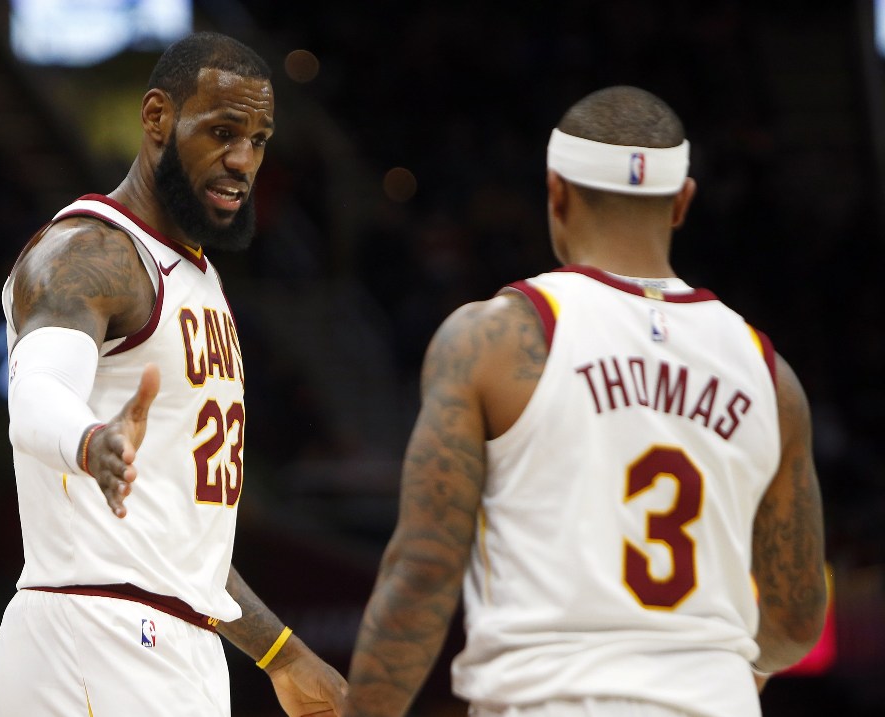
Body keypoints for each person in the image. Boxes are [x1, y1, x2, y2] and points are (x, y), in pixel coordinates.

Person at [343, 86, 827, 717]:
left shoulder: (496, 339)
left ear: (556, 193)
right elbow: (795, 622)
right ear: (681, 203)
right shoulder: (771, 376)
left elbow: (425, 569)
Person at [0, 31, 347, 717]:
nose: (243, 160)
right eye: (222, 131)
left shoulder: (197, 280)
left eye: (259, 139)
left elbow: (182, 541)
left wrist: (283, 654)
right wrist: (92, 442)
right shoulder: (90, 251)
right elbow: (34, 397)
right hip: (97, 630)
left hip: (170, 640)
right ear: (156, 117)